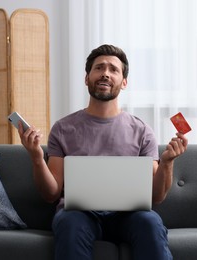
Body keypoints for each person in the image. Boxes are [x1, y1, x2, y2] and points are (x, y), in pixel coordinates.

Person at [18, 44, 188, 260]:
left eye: (113, 69)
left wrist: (167, 162)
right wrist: (36, 158)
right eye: (99, 68)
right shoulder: (63, 128)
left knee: (151, 222)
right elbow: (51, 193)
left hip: (129, 216)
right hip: (80, 215)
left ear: (124, 82)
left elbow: (157, 196)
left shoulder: (142, 131)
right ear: (87, 78)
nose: (105, 73)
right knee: (69, 223)